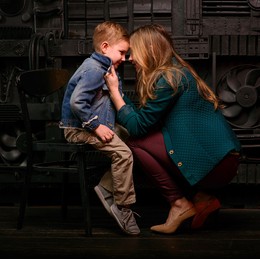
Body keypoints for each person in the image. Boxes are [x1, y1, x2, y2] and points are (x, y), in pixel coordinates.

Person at [104, 24, 241, 234]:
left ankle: (178, 204)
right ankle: (201, 198)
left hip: (218, 164)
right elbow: (142, 120)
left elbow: (137, 127)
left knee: (137, 143)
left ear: (149, 50)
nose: (130, 59)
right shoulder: (176, 71)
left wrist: (114, 93)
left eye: (134, 53)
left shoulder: (168, 80)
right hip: (223, 160)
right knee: (153, 138)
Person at [59, 21, 140, 236]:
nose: (125, 58)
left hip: (98, 124)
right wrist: (96, 126)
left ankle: (105, 186)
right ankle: (123, 207)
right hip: (79, 129)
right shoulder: (94, 70)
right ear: (105, 47)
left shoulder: (105, 67)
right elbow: (77, 103)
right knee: (123, 154)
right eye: (122, 52)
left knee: (136, 142)